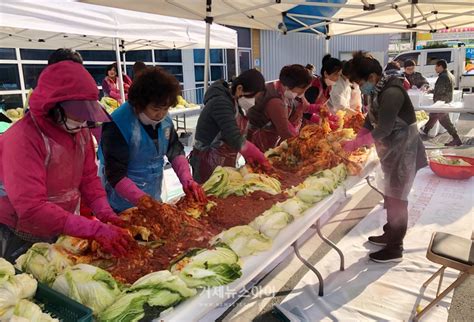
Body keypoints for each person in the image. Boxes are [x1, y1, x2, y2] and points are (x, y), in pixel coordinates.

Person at [0, 61, 131, 262]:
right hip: (17, 231)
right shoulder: (22, 139)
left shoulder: (79, 133)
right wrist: (93, 228)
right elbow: (31, 208)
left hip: (62, 226)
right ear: (53, 106)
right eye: (76, 111)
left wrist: (107, 215)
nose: (81, 119)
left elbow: (88, 180)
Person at [342, 51, 427, 263]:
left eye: (359, 82)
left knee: (398, 199)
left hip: (404, 150)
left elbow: (384, 129)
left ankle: (395, 247)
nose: (359, 87)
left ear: (371, 77)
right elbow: (371, 121)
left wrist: (356, 143)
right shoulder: (377, 90)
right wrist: (361, 135)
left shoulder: (392, 92)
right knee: (391, 194)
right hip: (391, 151)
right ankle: (390, 233)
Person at [99, 67, 206, 212]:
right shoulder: (118, 124)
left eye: (165, 108)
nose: (161, 114)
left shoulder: (165, 120)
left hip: (153, 196)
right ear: (140, 104)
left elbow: (174, 150)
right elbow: (115, 174)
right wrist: (143, 200)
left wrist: (187, 180)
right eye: (155, 109)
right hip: (122, 204)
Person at [190, 69, 271, 183]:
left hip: (224, 161)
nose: (253, 102)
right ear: (239, 89)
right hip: (208, 161)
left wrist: (249, 156)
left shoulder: (234, 103)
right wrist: (259, 156)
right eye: (253, 97)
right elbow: (234, 138)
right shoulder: (221, 102)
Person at [247, 64, 312, 152]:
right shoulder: (275, 101)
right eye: (302, 88)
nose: (303, 92)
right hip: (258, 141)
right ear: (289, 86)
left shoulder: (283, 90)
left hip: (269, 139)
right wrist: (306, 148)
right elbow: (285, 132)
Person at [422, 60, 462, 146]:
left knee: (444, 121)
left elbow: (439, 90)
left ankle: (456, 139)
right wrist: (431, 91)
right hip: (444, 101)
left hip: (441, 102)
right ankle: (424, 133)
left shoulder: (443, 76)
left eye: (436, 67)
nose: (435, 69)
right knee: (432, 118)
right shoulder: (450, 75)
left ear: (440, 66)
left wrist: (431, 92)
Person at [304, 54, 343, 124]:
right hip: (303, 123)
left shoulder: (328, 87)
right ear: (326, 73)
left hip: (313, 123)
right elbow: (305, 111)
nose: (338, 78)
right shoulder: (314, 87)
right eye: (335, 74)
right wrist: (321, 121)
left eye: (339, 75)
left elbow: (322, 108)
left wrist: (329, 117)